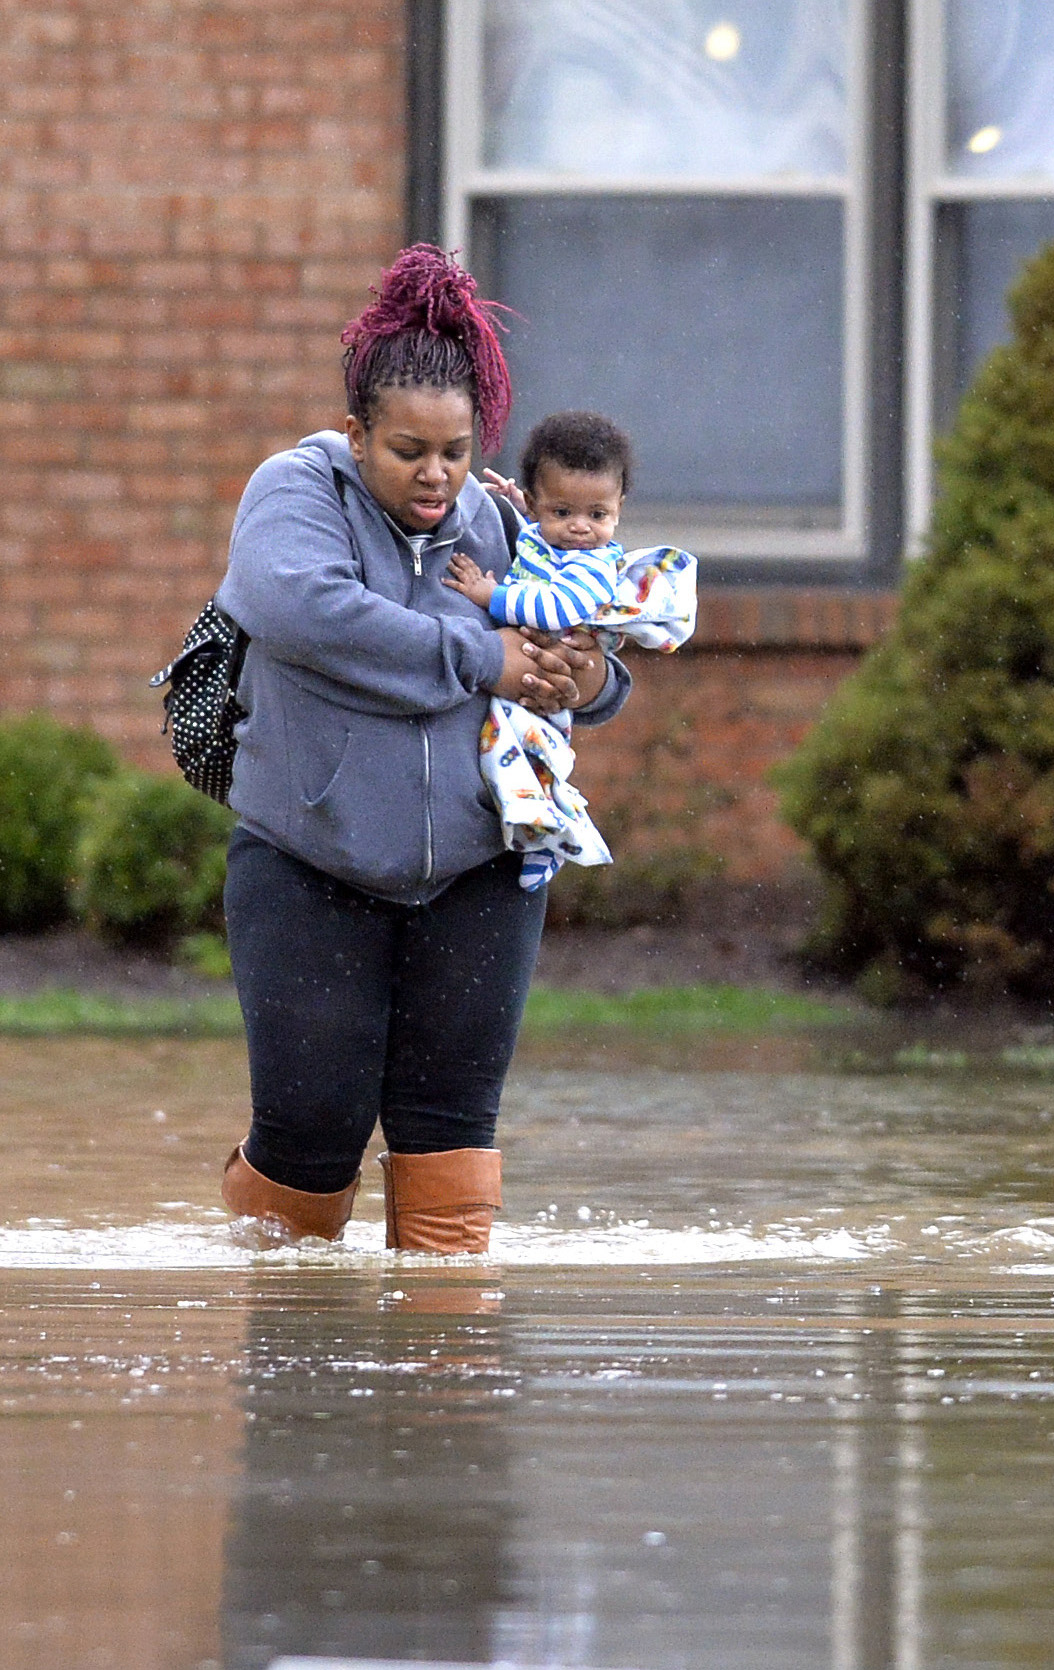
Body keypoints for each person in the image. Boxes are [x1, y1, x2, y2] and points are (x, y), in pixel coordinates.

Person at [213, 244, 630, 1254]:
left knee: (449, 1135)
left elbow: (580, 632)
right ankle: (292, 1360)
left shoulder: (496, 517)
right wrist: (475, 655)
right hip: (310, 856)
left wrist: (592, 680)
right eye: (408, 450)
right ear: (357, 434)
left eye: (454, 448)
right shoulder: (296, 491)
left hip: (485, 866)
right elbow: (301, 610)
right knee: (313, 1129)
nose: (436, 473)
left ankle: (446, 1379)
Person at [441, 410, 698, 892]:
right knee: (517, 762)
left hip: (548, 679)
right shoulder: (549, 537)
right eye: (562, 512)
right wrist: (520, 508)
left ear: (619, 506)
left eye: (597, 515)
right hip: (526, 677)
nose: (580, 528)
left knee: (520, 763)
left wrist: (487, 595)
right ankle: (546, 833)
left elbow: (556, 607)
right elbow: (539, 548)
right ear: (539, 504)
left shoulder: (595, 565)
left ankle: (550, 841)